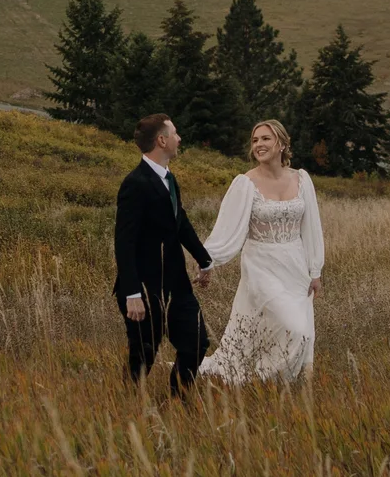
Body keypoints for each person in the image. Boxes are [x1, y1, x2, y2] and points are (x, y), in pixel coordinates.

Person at [196, 117, 325, 385]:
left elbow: (312, 227)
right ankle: (259, 378)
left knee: (287, 330)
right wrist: (206, 261)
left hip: (296, 266)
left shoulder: (302, 179)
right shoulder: (245, 183)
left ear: (281, 143)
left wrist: (315, 270)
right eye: (255, 140)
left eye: (265, 138)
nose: (259, 144)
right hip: (260, 265)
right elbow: (226, 229)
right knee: (294, 327)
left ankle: (274, 383)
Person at [112, 113, 212, 394]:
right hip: (145, 288)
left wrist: (204, 259)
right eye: (175, 133)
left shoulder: (170, 179)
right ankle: (129, 404)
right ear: (162, 140)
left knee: (197, 343)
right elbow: (124, 241)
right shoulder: (135, 183)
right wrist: (132, 293)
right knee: (143, 354)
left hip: (176, 285)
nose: (179, 139)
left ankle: (178, 400)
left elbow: (180, 223)